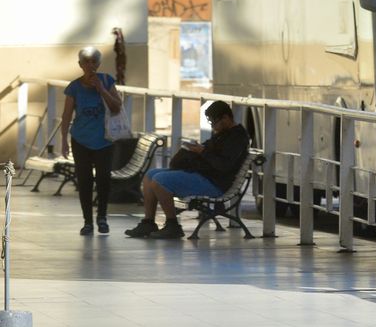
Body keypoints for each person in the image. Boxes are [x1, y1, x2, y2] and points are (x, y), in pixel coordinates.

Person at [125, 100, 249, 240]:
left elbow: (224, 165)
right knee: (150, 175)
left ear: (225, 118)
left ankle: (173, 225)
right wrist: (196, 149)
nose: (213, 127)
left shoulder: (237, 137)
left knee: (158, 181)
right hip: (203, 175)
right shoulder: (223, 134)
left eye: (214, 122)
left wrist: (202, 152)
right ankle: (148, 222)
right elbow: (211, 152)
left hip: (215, 183)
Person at [60, 46, 123, 236]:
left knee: (104, 179)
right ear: (80, 65)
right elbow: (66, 115)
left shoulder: (107, 81)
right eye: (86, 62)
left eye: (93, 61)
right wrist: (63, 140)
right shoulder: (74, 87)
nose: (90, 65)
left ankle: (102, 218)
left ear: (99, 63)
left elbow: (117, 107)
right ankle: (87, 221)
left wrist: (101, 89)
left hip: (104, 140)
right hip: (81, 140)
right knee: (85, 181)